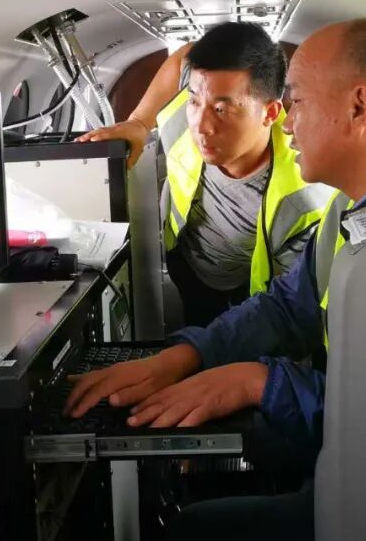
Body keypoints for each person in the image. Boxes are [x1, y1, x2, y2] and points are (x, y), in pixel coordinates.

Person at [66, 17, 366, 541]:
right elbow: (286, 305)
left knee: (190, 540)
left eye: (297, 101)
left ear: (360, 107)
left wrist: (258, 381)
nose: (288, 121)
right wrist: (183, 356)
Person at [78, 23, 331, 327]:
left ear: (270, 113)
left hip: (247, 282)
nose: (201, 126)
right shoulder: (185, 115)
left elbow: (289, 303)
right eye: (194, 101)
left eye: (222, 110)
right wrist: (138, 123)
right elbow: (184, 56)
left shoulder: (301, 198)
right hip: (183, 260)